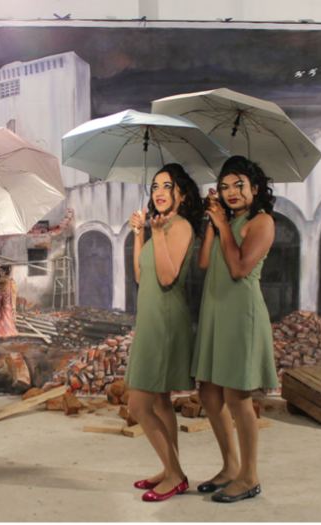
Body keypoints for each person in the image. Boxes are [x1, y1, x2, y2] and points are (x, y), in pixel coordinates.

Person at [191, 155, 279, 503]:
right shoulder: (226, 220)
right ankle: (229, 467)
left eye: (239, 184)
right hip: (215, 313)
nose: (231, 191)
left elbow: (240, 267)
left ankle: (250, 475)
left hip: (241, 315)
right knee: (210, 393)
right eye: (224, 186)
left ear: (255, 188)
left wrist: (224, 225)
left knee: (237, 397)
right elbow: (204, 262)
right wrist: (214, 223)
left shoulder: (262, 221)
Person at [125, 163, 204, 503]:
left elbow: (169, 276)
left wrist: (156, 235)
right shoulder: (158, 225)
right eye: (155, 185)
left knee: (138, 404)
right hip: (151, 317)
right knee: (159, 401)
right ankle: (169, 466)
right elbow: (142, 276)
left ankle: (175, 475)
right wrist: (140, 233)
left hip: (166, 323)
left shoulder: (181, 226)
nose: (158, 191)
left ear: (181, 194)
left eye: (167, 185)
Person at [0, 265, 19, 338]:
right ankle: (5, 335)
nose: (0, 272)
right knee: (4, 321)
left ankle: (6, 334)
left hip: (6, 304)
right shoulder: (7, 280)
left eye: (1, 271)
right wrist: (12, 268)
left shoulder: (5, 280)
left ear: (4, 271)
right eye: (0, 271)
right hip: (3, 305)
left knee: (5, 320)